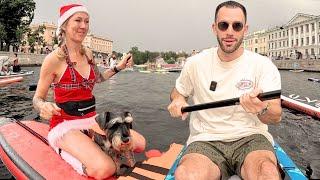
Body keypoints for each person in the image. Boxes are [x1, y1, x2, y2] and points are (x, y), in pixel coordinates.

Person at [167, 1, 282, 180]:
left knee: (266, 173)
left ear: (245, 29)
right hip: (205, 139)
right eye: (223, 25)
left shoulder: (263, 65)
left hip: (251, 137)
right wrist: (178, 100)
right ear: (214, 28)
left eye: (237, 26)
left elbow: (276, 115)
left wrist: (261, 108)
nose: (230, 31)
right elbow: (178, 91)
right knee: (186, 175)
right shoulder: (195, 63)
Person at [32, 4, 145, 179]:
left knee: (140, 144)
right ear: (64, 25)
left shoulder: (89, 54)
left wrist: (119, 67)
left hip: (91, 120)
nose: (83, 26)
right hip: (64, 125)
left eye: (86, 21)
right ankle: (62, 150)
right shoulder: (53, 60)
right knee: (105, 169)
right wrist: (43, 106)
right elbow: (37, 98)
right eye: (78, 20)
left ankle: (93, 148)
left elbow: (98, 79)